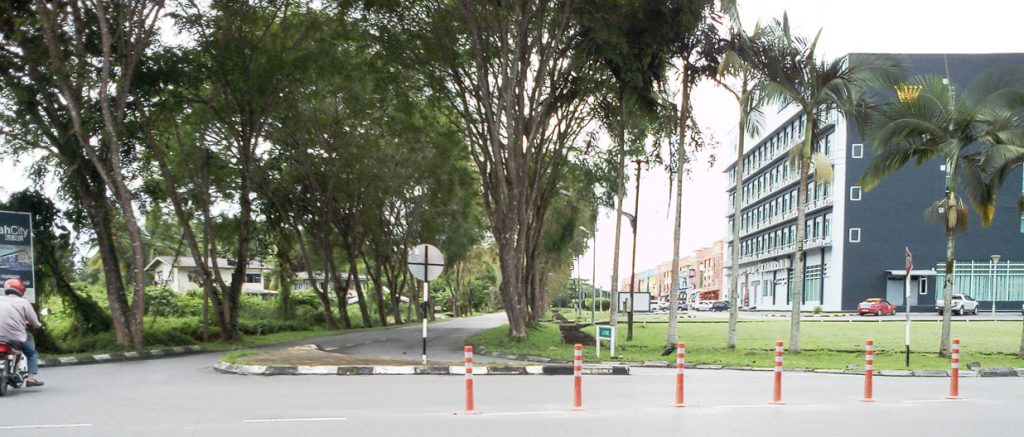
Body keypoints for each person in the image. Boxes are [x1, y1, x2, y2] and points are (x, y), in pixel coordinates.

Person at [0, 278, 43, 387]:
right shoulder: (24, 302)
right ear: (21, 289)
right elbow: (33, 321)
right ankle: (31, 379)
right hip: (16, 337)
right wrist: (39, 326)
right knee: (32, 354)